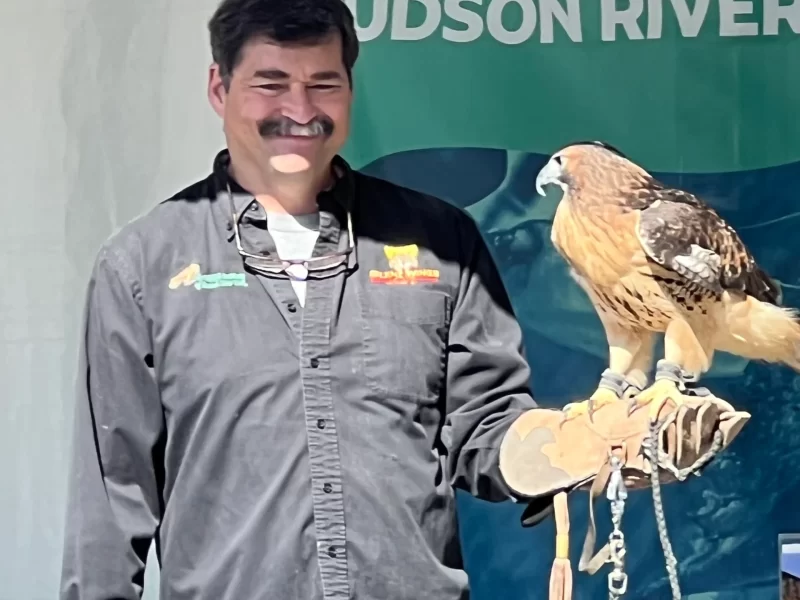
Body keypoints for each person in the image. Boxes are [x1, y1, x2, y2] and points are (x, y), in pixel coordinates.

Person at [58, 1, 738, 599]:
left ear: (350, 90)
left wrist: (580, 445)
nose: (299, 109)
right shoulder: (143, 267)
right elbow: (110, 510)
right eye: (272, 84)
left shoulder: (441, 242)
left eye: (322, 83)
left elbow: (486, 428)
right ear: (219, 88)